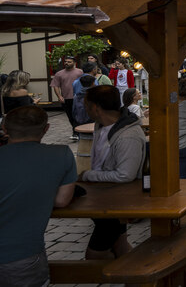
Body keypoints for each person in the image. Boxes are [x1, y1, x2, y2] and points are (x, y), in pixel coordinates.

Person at [0, 106, 76, 287]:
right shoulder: (61, 154)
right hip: (21, 255)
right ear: (46, 129)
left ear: (4, 128)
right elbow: (61, 200)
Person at [80, 85, 147, 260]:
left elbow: (125, 175)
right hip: (104, 197)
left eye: (86, 104)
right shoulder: (102, 126)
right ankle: (135, 280)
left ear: (95, 107)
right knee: (120, 245)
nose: (84, 108)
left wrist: (88, 175)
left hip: (117, 199)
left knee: (95, 254)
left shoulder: (128, 135)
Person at [51, 56, 83, 134]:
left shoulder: (80, 72)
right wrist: (59, 96)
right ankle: (76, 131)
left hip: (78, 97)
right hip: (66, 98)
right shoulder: (59, 73)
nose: (66, 63)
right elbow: (55, 86)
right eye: (65, 61)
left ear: (74, 63)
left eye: (69, 62)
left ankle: (77, 132)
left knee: (78, 116)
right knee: (70, 116)